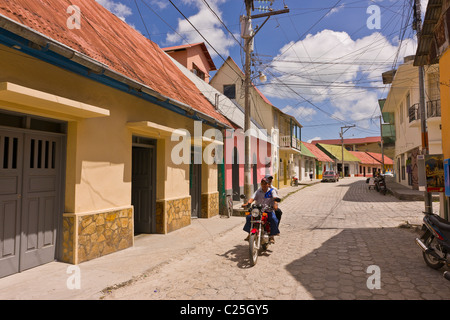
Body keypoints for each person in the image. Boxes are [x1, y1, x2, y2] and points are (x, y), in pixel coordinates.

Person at [242, 177, 280, 244]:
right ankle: (249, 233)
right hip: (258, 211)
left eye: (265, 183)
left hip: (268, 210)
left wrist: (275, 204)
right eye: (262, 183)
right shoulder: (258, 191)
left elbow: (275, 198)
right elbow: (252, 198)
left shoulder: (272, 191)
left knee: (274, 219)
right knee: (248, 217)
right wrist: (247, 204)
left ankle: (272, 236)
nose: (264, 185)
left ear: (268, 184)